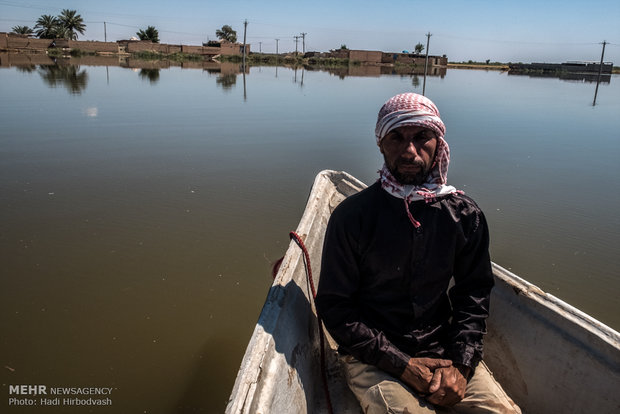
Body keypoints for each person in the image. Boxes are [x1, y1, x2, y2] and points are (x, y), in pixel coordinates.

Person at [315, 93, 521, 413]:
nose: (410, 150)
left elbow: (473, 294)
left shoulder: (465, 216)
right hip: (372, 355)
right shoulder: (352, 217)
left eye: (422, 137)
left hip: (444, 350)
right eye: (396, 137)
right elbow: (336, 307)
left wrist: (462, 366)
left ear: (438, 143)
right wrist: (402, 365)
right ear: (381, 144)